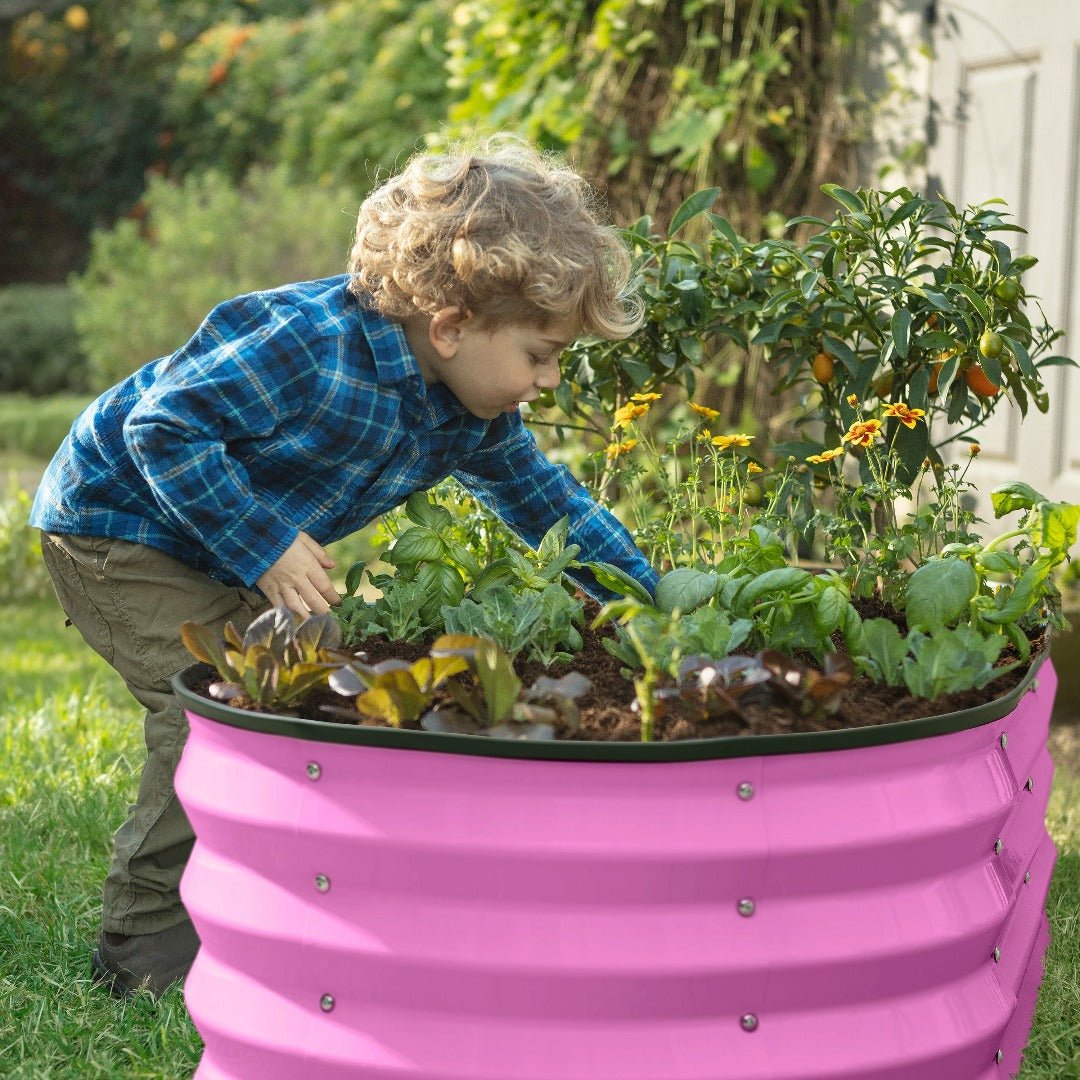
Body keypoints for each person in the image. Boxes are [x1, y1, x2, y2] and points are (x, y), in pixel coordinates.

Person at [30, 138, 659, 998]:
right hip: (116, 523)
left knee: (308, 665)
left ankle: (272, 895)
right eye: (540, 354)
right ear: (450, 327)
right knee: (216, 705)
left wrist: (651, 601)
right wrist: (264, 544)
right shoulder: (310, 344)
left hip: (210, 529)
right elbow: (163, 430)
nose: (547, 381)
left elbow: (550, 507)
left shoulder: (469, 413)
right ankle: (138, 953)